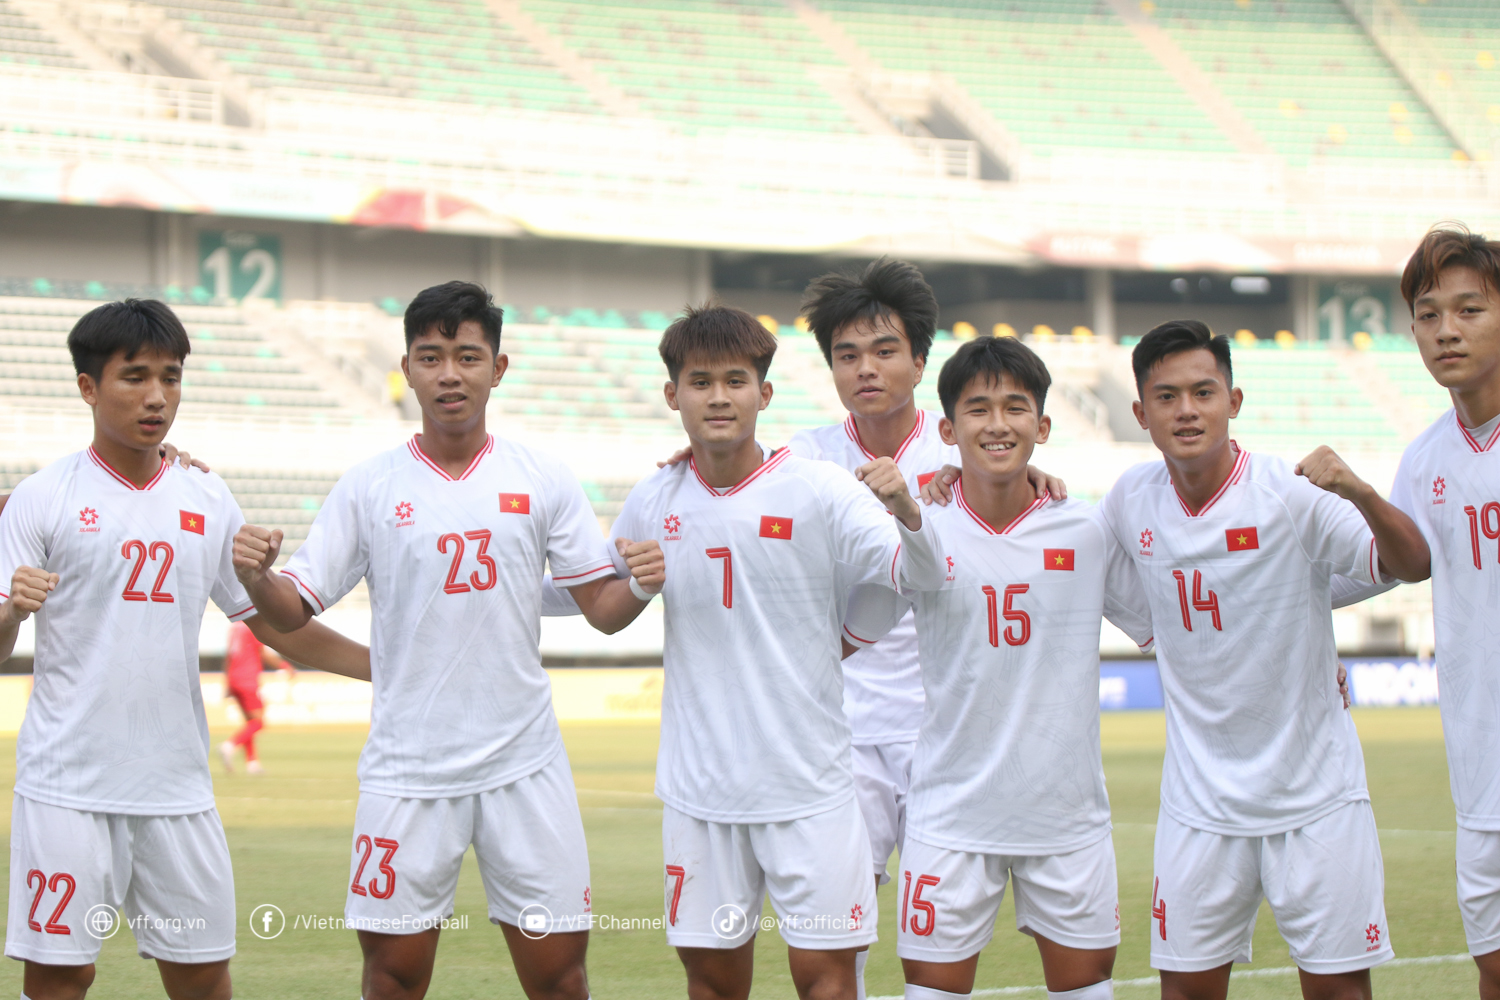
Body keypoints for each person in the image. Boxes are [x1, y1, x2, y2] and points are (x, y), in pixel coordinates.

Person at [229, 281, 662, 1000]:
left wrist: (644, 585)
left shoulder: (543, 477)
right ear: (406, 368)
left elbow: (603, 612)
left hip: (524, 766)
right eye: (432, 357)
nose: (450, 374)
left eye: (467, 356)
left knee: (560, 978)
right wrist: (255, 574)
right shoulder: (369, 487)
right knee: (393, 976)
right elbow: (288, 611)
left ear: (498, 368)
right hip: (408, 770)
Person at [0, 299, 370, 1000]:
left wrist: (381, 667)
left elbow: (268, 620)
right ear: (88, 387)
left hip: (176, 788)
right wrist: (14, 609)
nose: (157, 397)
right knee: (61, 975)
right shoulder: (41, 499)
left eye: (170, 378)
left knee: (202, 978)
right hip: (67, 788)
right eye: (134, 377)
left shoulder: (204, 491)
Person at [604, 304, 941, 1000]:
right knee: (713, 984)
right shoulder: (652, 497)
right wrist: (633, 590)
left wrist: (909, 514)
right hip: (700, 796)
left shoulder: (821, 490)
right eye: (700, 382)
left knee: (826, 982)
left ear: (765, 393)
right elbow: (599, 600)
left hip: (811, 790)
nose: (719, 397)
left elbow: (918, 579)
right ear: (674, 396)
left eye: (736, 380)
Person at [1093, 320, 1428, 1000]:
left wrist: (1360, 492)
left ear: (1234, 402)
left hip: (1317, 800)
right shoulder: (1129, 499)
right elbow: (1071, 559)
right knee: (1185, 990)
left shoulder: (1290, 492)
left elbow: (1411, 563)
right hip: (1199, 806)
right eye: (1166, 397)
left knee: (1338, 992)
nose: (1186, 410)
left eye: (1202, 392)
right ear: (1140, 413)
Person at [847, 335, 1153, 1000]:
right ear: (949, 429)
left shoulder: (1086, 531)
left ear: (1042, 426)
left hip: (1065, 820)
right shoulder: (919, 529)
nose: (998, 424)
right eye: (978, 409)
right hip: (951, 818)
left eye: (1015, 407)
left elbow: (1164, 633)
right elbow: (846, 633)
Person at [1323, 224, 1500, 999]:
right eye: (1428, 315)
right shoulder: (1425, 458)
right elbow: (1391, 567)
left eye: (1468, 310)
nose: (1446, 332)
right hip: (1481, 770)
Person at [218, 619, 294, 774]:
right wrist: (285, 666)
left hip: (234, 678)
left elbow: (229, 656)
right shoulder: (252, 626)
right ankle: (230, 745)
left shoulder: (235, 627)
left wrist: (227, 683)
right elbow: (264, 652)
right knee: (259, 722)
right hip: (248, 680)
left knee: (250, 722)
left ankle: (252, 763)